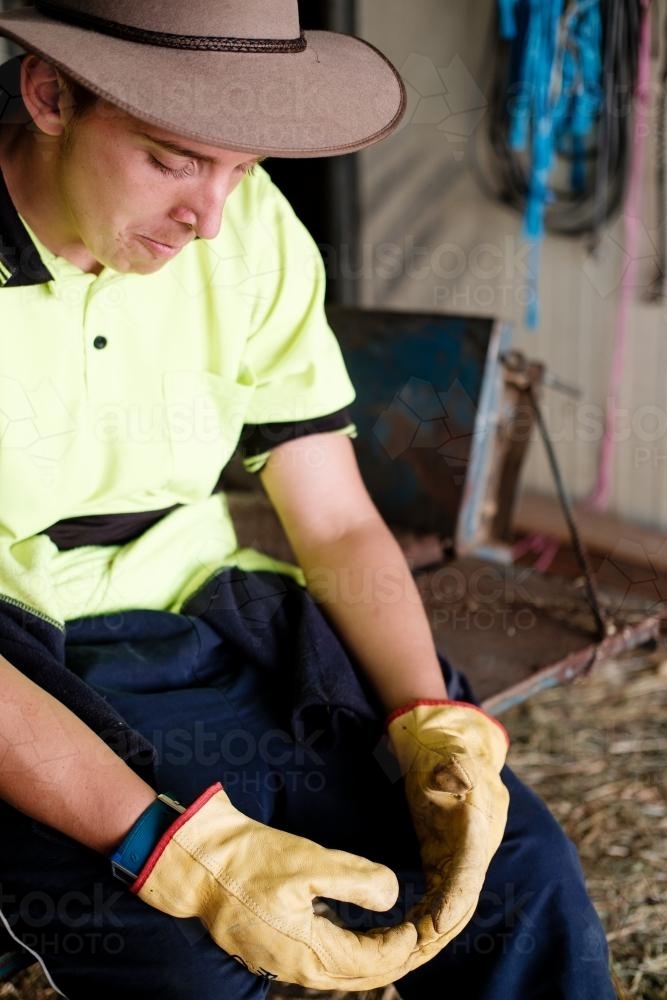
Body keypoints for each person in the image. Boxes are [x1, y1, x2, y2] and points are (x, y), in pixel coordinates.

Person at [0, 2, 616, 998]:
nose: (210, 217)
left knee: (518, 877)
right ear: (50, 94)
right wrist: (171, 848)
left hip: (211, 620)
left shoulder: (248, 228)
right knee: (187, 965)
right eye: (171, 158)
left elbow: (331, 519)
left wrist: (428, 718)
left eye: (238, 167)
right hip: (29, 661)